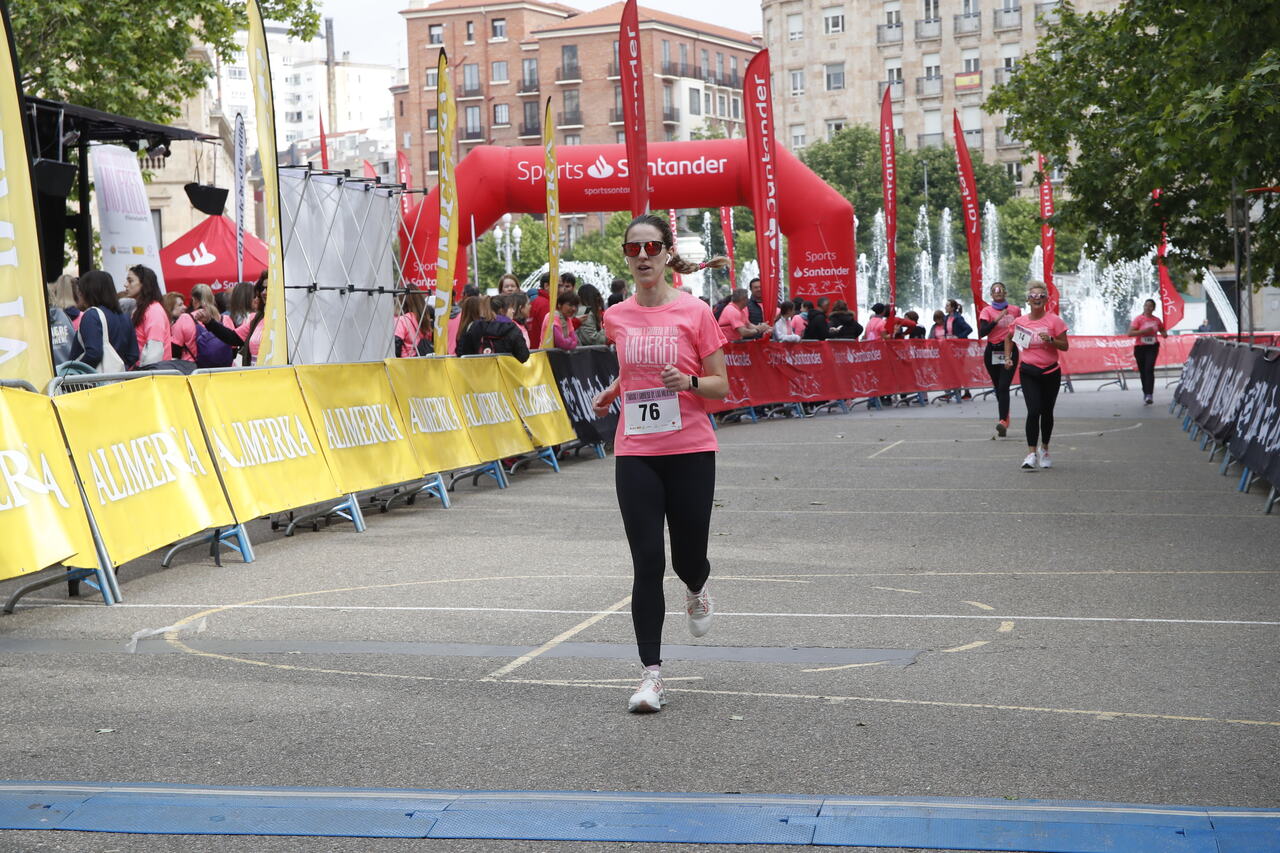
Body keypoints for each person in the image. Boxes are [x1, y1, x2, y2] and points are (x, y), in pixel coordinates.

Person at [590, 213, 730, 714]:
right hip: (637, 452)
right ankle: (651, 675)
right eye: (633, 249)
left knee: (686, 557)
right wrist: (614, 391)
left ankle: (697, 585)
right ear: (626, 257)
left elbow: (721, 386)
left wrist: (688, 384)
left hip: (691, 448)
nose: (643, 256)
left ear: (668, 253)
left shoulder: (696, 313)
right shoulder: (617, 317)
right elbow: (633, 373)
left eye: (651, 247)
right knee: (647, 560)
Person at [1006, 281, 1069, 470]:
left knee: (1047, 412)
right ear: (1028, 299)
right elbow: (1008, 338)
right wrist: (1008, 357)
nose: (1037, 299)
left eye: (1041, 296)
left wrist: (1051, 340)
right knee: (1033, 411)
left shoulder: (1054, 321)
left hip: (1050, 371)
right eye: (1033, 296)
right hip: (1029, 371)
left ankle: (1045, 449)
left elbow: (1065, 346)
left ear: (1046, 300)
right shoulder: (1020, 322)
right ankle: (1031, 453)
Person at [68, 270, 139, 371]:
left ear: (89, 291)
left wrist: (74, 372)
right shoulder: (125, 317)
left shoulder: (92, 315)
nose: (79, 294)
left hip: (94, 382)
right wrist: (118, 369)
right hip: (119, 381)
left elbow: (94, 353)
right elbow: (133, 355)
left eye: (81, 290)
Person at [978, 282, 1022, 437]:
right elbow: (982, 332)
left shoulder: (1015, 310)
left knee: (1004, 386)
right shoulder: (986, 311)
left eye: (1001, 291)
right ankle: (1006, 415)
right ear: (991, 295)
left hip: (1009, 350)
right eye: (995, 291)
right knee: (998, 387)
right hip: (992, 351)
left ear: (1005, 293)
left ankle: (1003, 420)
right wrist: (996, 320)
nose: (998, 293)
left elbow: (1021, 329)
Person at [457, 293, 531, 361]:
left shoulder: (475, 326)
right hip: (506, 373)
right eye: (510, 308)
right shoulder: (512, 328)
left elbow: (463, 353)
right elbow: (523, 356)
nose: (513, 311)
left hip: (480, 373)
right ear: (502, 310)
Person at [125, 264, 171, 366]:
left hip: (150, 376)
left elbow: (154, 353)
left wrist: (144, 375)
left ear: (144, 284)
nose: (125, 285)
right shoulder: (143, 309)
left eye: (130, 281)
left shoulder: (154, 311)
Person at [1128, 298, 1167, 405]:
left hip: (1152, 347)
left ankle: (1149, 394)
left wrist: (1164, 333)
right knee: (1143, 371)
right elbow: (1130, 333)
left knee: (1149, 369)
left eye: (1150, 306)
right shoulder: (1138, 319)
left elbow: (1162, 329)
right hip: (1140, 347)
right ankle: (1145, 392)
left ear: (1153, 308)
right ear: (1144, 307)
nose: (1148, 308)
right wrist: (1144, 331)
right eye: (1146, 305)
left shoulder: (1157, 320)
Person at [394, 291, 428, 357]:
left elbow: (396, 344)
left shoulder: (401, 320)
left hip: (406, 362)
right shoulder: (424, 318)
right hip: (424, 360)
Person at [528, 272, 552, 345]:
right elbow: (551, 331)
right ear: (547, 285)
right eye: (559, 285)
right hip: (542, 351)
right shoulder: (545, 304)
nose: (562, 289)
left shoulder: (536, 301)